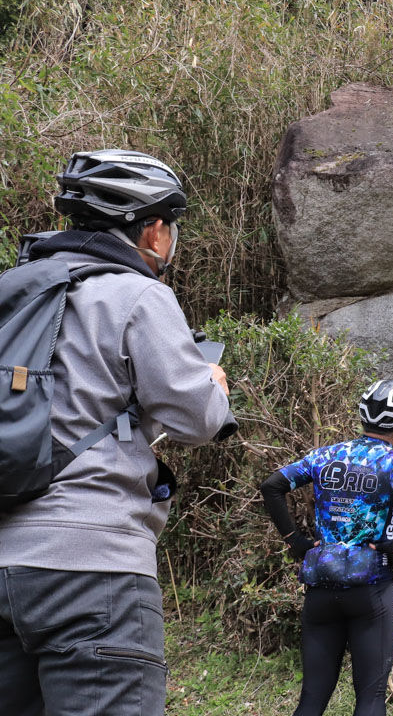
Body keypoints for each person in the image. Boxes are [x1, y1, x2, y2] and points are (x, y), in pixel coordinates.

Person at [0, 149, 236, 716]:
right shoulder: (136, 294)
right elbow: (198, 417)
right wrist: (215, 381)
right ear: (153, 231)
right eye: (170, 227)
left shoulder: (13, 289)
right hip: (93, 569)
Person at [260, 380, 393, 716]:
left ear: (363, 417)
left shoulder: (327, 454)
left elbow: (272, 486)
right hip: (371, 587)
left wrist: (296, 543)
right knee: (370, 697)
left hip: (320, 587)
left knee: (312, 699)